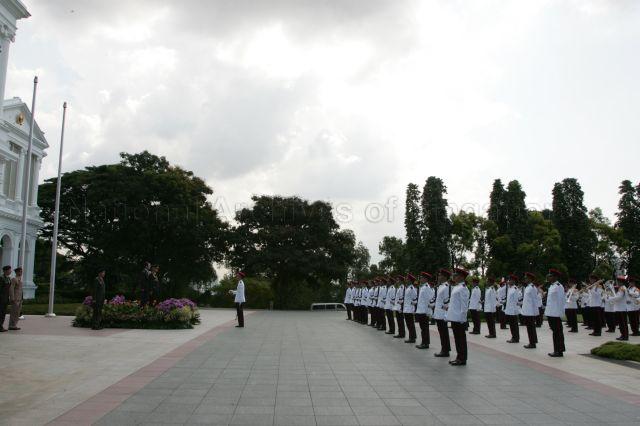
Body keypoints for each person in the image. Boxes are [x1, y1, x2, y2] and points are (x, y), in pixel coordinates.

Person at [447, 267, 470, 366]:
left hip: (459, 318)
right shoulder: (457, 287)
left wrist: (462, 319)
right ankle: (459, 357)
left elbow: (464, 306)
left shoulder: (463, 288)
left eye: (455, 275)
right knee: (457, 338)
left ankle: (462, 358)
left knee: (461, 339)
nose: (454, 277)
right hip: (454, 317)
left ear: (461, 277)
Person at [545, 269, 566, 357]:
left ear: (555, 277)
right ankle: (556, 349)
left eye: (550, 276)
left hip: (555, 313)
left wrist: (560, 313)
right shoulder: (552, 286)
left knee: (558, 332)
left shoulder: (559, 286)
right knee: (555, 332)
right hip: (551, 312)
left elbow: (561, 300)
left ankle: (559, 351)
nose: (548, 277)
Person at [433, 269, 451, 358]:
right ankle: (444, 349)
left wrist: (444, 313)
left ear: (444, 276)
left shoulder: (446, 286)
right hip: (439, 313)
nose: (439, 277)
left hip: (442, 314)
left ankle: (445, 350)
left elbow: (446, 301)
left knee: (444, 333)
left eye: (440, 275)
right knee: (442, 332)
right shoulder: (441, 286)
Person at [415, 272, 435, 349]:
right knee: (423, 328)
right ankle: (424, 342)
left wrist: (428, 312)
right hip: (421, 310)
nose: (420, 279)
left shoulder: (426, 287)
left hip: (424, 311)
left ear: (426, 279)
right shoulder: (423, 287)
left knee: (424, 328)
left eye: (422, 277)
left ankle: (425, 343)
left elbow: (429, 300)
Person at [521, 272, 539, 349]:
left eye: (526, 278)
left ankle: (533, 343)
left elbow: (535, 300)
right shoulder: (528, 287)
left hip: (530, 311)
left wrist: (534, 312)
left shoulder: (532, 288)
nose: (525, 279)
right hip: (527, 311)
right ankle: (532, 342)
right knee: (529, 327)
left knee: (531, 327)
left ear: (530, 279)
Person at [609, 276, 628, 341]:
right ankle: (623, 335)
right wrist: (612, 290)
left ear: (621, 282)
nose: (617, 283)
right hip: (620, 308)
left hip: (621, 308)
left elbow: (619, 297)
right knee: (621, 324)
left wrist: (610, 299)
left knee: (623, 323)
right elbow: (617, 297)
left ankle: (625, 336)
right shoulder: (621, 288)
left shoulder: (622, 288)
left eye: (618, 281)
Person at [504, 274, 520, 343]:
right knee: (512, 325)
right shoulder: (510, 288)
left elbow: (516, 301)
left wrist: (514, 311)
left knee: (514, 325)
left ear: (513, 281)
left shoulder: (515, 289)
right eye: (508, 280)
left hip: (513, 310)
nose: (508, 281)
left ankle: (515, 338)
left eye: (510, 280)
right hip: (509, 310)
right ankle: (513, 337)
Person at [403, 273, 418, 344]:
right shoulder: (408, 288)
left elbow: (415, 300)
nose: (406, 280)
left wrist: (411, 305)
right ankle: (411, 337)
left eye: (407, 279)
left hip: (409, 309)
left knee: (411, 324)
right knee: (408, 324)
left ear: (410, 280)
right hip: (406, 309)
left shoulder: (412, 289)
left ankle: (412, 338)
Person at [0, 265, 12, 332]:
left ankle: (1, 325)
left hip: (5, 299)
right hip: (1, 299)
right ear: (5, 271)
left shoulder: (8, 278)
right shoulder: (1, 278)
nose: (10, 271)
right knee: (1, 313)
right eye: (9, 270)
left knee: (3, 313)